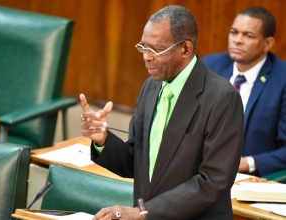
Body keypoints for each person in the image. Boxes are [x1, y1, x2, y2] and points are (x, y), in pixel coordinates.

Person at [80, 5, 243, 220]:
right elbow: (136, 163)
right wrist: (103, 140)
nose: (146, 57)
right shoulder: (150, 87)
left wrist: (144, 213)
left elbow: (212, 181)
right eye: (143, 47)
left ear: (185, 49)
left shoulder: (222, 98)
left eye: (155, 49)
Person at [202, 6, 286, 177]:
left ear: (267, 43)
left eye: (248, 35)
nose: (237, 40)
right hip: (202, 170)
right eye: (234, 32)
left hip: (251, 178)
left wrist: (248, 163)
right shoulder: (208, 67)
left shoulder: (282, 79)